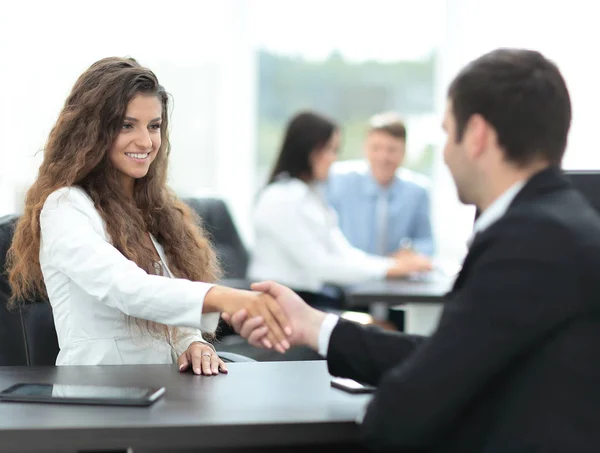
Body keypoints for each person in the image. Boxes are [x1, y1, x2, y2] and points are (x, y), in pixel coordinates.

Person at [224, 48, 600, 451]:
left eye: (445, 131)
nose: (444, 152)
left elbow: (414, 401)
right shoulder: (554, 224)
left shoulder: (528, 241)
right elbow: (446, 355)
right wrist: (316, 327)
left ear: (476, 136)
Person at [6, 57, 292, 375]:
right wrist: (226, 298)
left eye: (153, 126)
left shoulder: (151, 209)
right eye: (127, 125)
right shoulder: (65, 208)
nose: (145, 141)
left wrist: (193, 343)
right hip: (98, 396)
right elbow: (128, 289)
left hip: (165, 390)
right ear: (91, 131)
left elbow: (168, 304)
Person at [247, 111, 431, 307]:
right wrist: (389, 268)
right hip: (282, 304)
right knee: (379, 330)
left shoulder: (310, 196)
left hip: (307, 301)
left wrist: (395, 266)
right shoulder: (282, 198)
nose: (334, 159)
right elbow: (320, 266)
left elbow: (345, 253)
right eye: (330, 150)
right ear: (308, 150)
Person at [326, 112, 435, 257]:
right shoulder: (338, 180)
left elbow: (427, 242)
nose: (383, 157)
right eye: (376, 148)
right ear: (365, 148)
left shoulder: (417, 191)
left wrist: (412, 252)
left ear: (403, 152)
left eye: (391, 150)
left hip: (395, 274)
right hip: (347, 272)